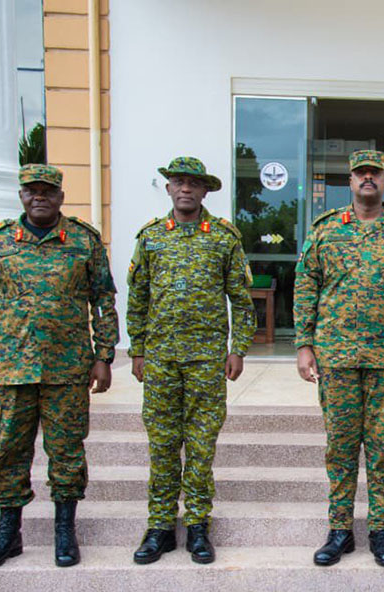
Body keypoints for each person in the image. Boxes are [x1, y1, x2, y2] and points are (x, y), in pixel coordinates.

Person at [0, 164, 119, 569]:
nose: (40, 197)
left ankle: (65, 530)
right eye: (32, 190)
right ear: (22, 196)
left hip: (67, 369)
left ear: (62, 196)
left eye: (48, 190)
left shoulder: (83, 241)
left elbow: (104, 301)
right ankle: (7, 533)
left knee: (66, 452)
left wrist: (104, 355)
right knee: (9, 450)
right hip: (12, 368)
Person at [294, 149, 384, 568]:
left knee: (381, 447)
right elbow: (306, 287)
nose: (368, 179)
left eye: (375, 173)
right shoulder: (325, 230)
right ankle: (340, 530)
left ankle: (379, 530)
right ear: (349, 181)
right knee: (339, 446)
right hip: (335, 355)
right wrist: (304, 343)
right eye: (360, 173)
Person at [127, 156, 255, 565]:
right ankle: (161, 526)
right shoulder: (150, 237)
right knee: (163, 445)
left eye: (193, 184)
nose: (185, 189)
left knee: (201, 446)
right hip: (162, 359)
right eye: (178, 182)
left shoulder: (223, 237)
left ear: (205, 191)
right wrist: (138, 349)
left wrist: (238, 348)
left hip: (206, 361)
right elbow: (138, 297)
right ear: (168, 189)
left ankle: (198, 525)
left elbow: (241, 298)